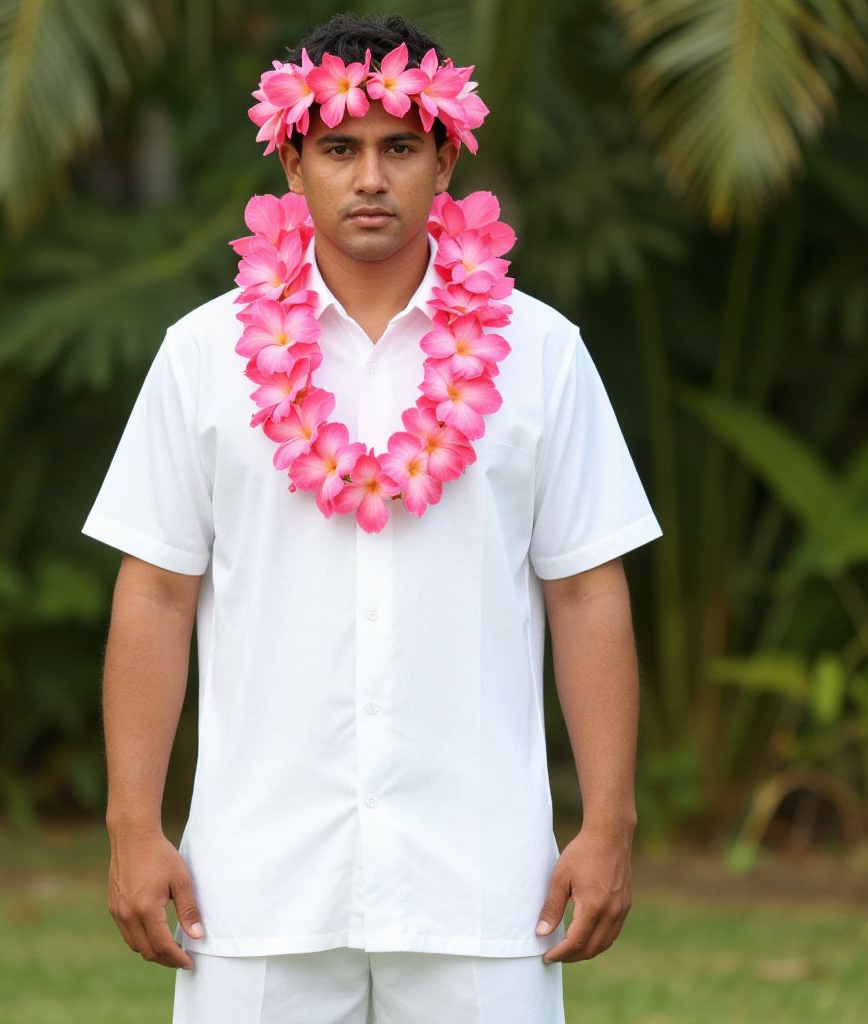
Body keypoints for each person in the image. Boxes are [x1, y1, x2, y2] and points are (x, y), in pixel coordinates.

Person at [82, 11, 663, 1023]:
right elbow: (157, 592)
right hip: (254, 884)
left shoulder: (541, 352)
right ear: (292, 162)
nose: (368, 178)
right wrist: (133, 822)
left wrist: (608, 821)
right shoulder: (203, 353)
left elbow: (584, 592)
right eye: (339, 149)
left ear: (444, 159)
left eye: (398, 148)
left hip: (482, 886)